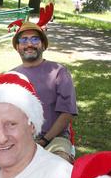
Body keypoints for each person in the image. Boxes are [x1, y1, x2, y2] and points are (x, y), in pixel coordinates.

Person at [11, 20, 78, 162]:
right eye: (24, 40)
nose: (29, 44)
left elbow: (67, 113)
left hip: (55, 139)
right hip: (19, 139)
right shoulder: (11, 76)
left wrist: (44, 141)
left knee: (59, 169)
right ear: (17, 47)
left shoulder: (59, 72)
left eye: (35, 39)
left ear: (43, 45)